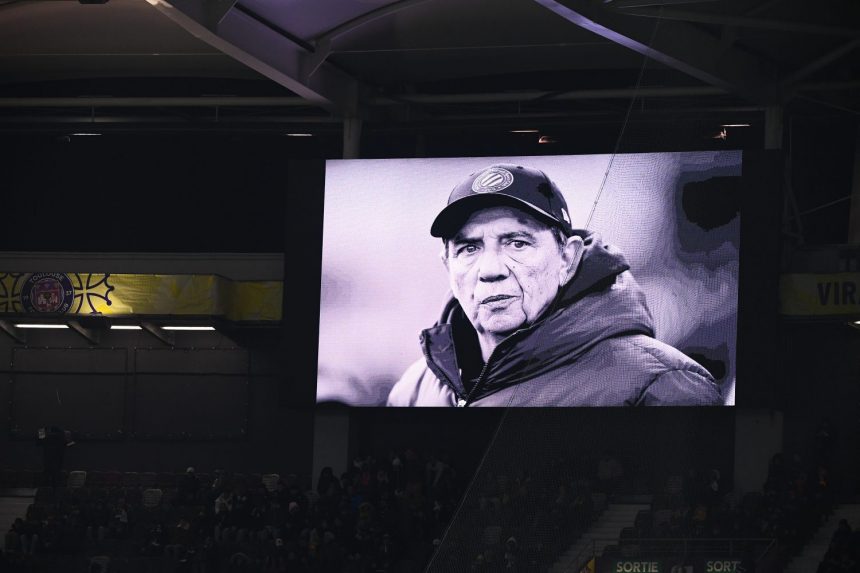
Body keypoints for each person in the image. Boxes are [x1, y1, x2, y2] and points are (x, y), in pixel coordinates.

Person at [387, 164, 722, 407]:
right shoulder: (414, 390)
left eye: (517, 243)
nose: (490, 270)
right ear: (447, 265)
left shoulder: (662, 385)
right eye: (468, 248)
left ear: (568, 259)